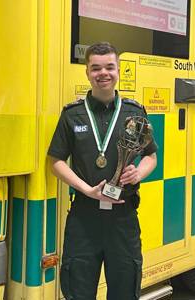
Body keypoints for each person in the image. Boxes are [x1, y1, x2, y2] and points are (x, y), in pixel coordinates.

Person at [47, 42, 158, 300]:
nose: (103, 73)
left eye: (109, 67)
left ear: (118, 70)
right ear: (87, 72)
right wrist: (87, 190)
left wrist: (139, 173)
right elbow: (55, 161)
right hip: (83, 220)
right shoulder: (72, 115)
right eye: (96, 68)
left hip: (123, 218)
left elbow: (151, 156)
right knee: (78, 290)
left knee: (124, 290)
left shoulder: (133, 112)